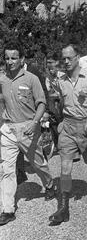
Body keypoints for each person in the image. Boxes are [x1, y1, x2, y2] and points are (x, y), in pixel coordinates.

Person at [49, 44, 87, 225]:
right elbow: (57, 103)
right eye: (63, 58)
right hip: (68, 127)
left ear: (77, 57)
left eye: (69, 58)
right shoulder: (60, 81)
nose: (65, 61)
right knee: (65, 168)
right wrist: (59, 123)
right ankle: (63, 208)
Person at [0, 42, 56, 226]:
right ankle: (7, 210)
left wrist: (34, 123)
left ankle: (48, 184)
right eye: (7, 58)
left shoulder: (31, 78)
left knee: (38, 163)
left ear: (21, 59)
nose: (10, 61)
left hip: (28, 128)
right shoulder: (1, 78)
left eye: (14, 57)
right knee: (6, 170)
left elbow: (41, 103)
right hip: (8, 129)